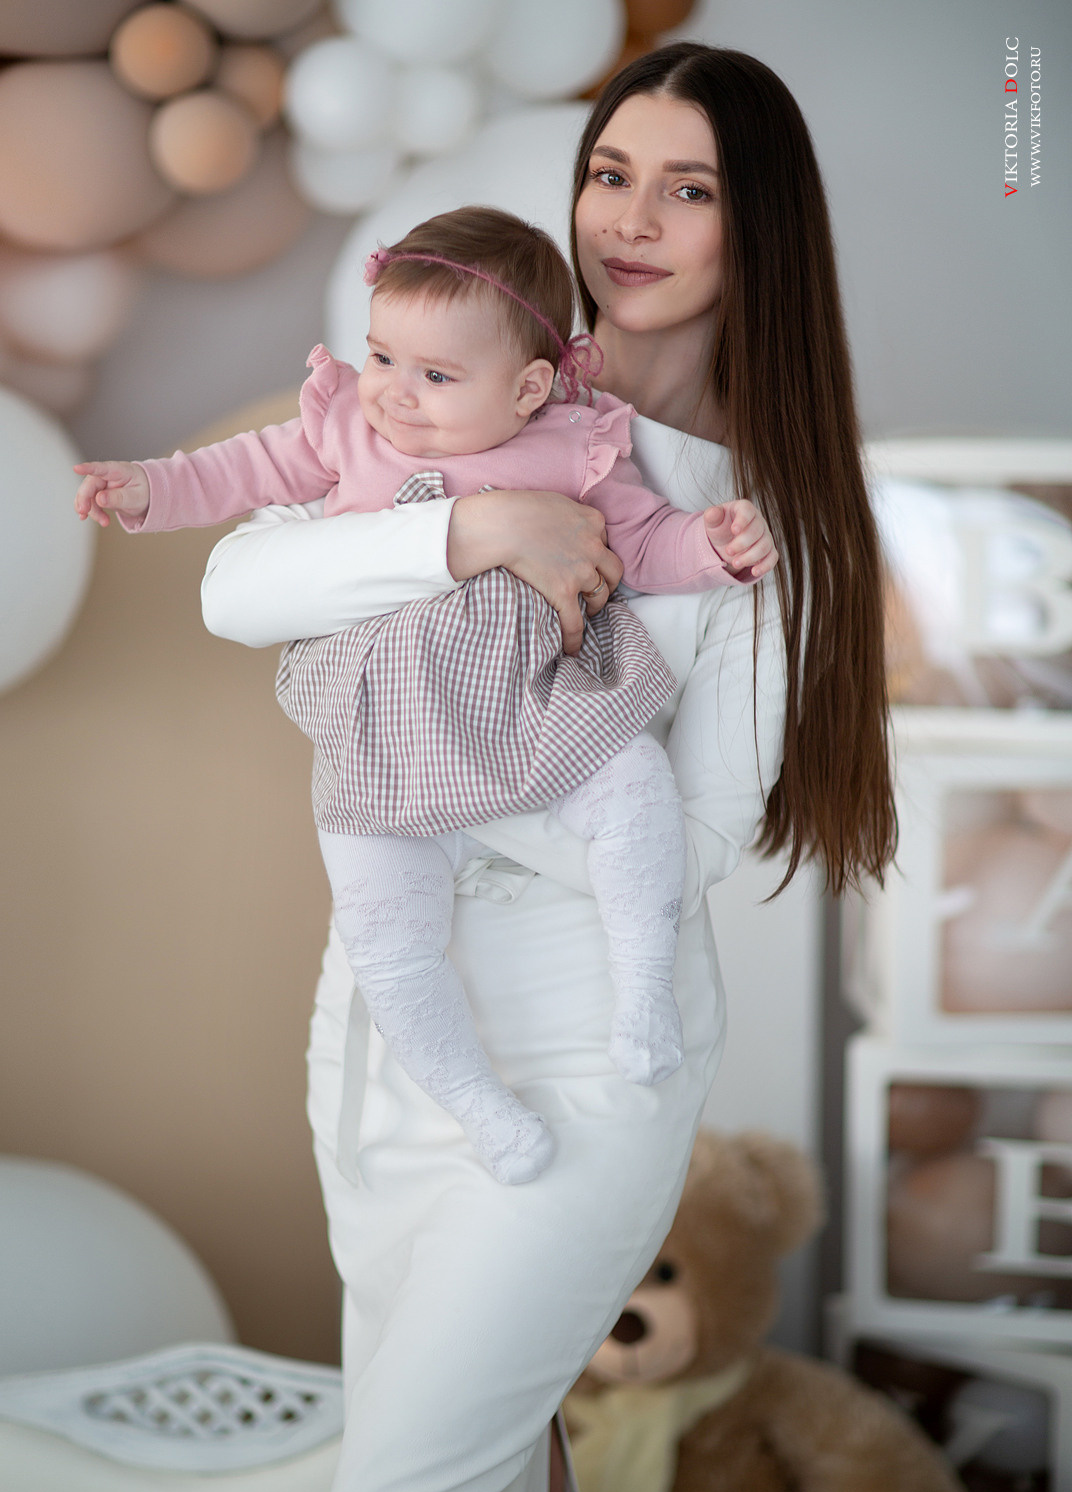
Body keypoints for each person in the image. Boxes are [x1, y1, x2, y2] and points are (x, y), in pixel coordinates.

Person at [182, 42, 896, 1492]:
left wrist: (453, 766)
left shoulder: (764, 526)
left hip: (586, 1056)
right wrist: (479, 536)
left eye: (686, 190)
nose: (629, 220)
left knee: (407, 1478)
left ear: (757, 226)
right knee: (491, 1462)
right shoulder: (459, 399)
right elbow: (235, 593)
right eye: (609, 175)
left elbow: (686, 838)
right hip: (385, 1031)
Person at [73, 207, 777, 1188]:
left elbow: (649, 546)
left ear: (530, 387)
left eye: (437, 377)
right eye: (382, 357)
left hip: (533, 702)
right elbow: (240, 472)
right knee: (385, 940)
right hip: (380, 731)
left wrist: (716, 549)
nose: (396, 397)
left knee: (634, 786)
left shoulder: (572, 450)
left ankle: (643, 985)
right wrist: (150, 491)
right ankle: (476, 1105)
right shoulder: (348, 430)